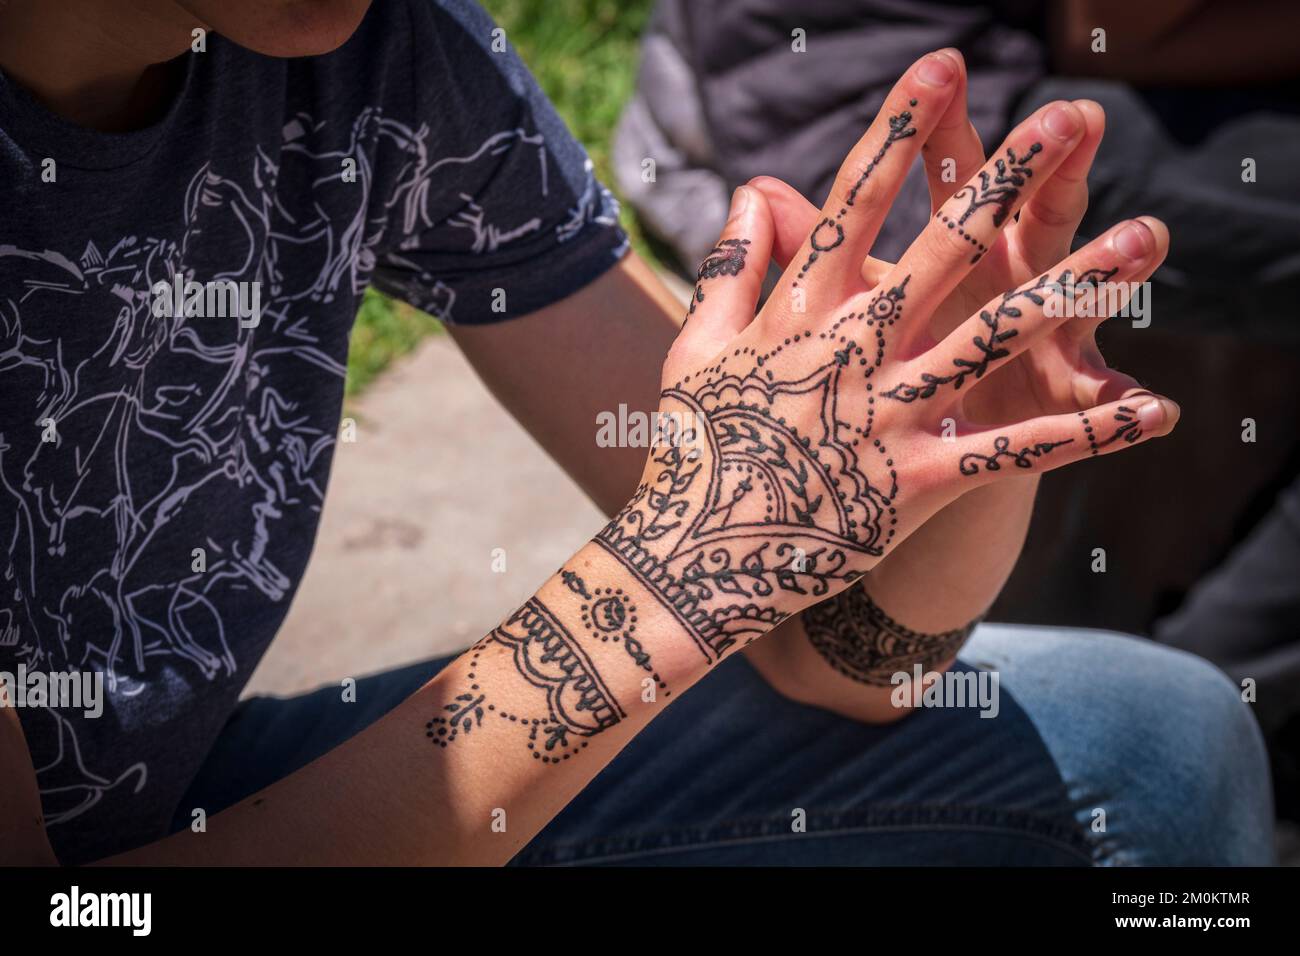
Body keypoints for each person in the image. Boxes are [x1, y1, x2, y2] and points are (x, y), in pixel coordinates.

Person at [0, 0, 1272, 865]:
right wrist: (677, 570)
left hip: (182, 794)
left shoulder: (376, 54)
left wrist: (967, 441)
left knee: (1155, 737)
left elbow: (837, 659)